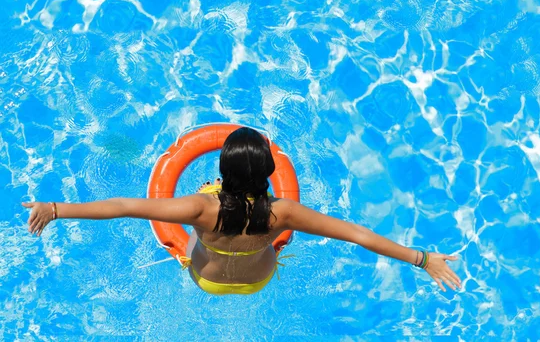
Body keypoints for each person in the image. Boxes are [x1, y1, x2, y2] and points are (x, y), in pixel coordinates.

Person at [23, 127, 461, 295]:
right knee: (268, 249)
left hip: (206, 279)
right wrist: (423, 259)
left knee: (197, 240)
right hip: (259, 280)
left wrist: (57, 208)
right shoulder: (283, 213)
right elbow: (357, 235)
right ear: (270, 172)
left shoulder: (199, 207)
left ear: (222, 169)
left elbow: (123, 207)